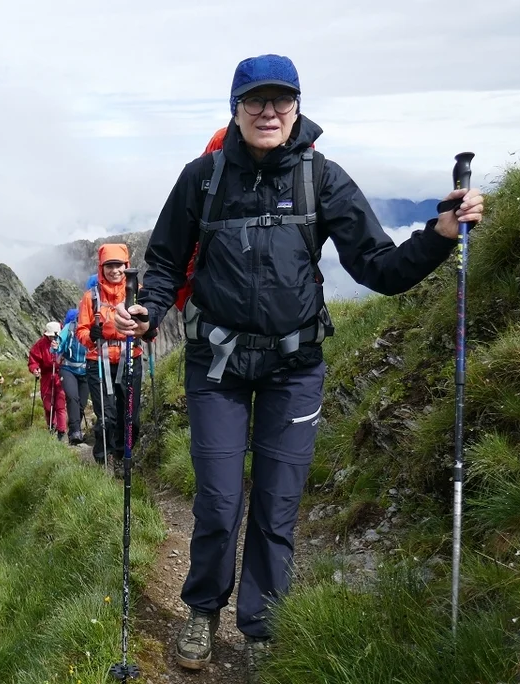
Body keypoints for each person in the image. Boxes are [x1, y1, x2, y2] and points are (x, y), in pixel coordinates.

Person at [115, 54, 485, 680]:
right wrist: (147, 312)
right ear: (234, 107)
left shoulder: (323, 178)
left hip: (295, 366)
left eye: (280, 100)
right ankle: (203, 610)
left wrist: (440, 234)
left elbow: (379, 267)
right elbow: (166, 266)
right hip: (216, 364)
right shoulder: (201, 178)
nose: (268, 111)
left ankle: (261, 625)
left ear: (296, 106)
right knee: (218, 499)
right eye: (255, 100)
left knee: (279, 503)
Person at [76, 243, 146, 470]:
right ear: (101, 267)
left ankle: (123, 454)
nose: (115, 270)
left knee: (130, 416)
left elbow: (148, 322)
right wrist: (90, 335)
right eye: (109, 266)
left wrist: (150, 329)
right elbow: (81, 330)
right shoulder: (91, 297)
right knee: (107, 416)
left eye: (119, 265)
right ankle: (103, 461)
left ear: (126, 266)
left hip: (130, 357)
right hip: (99, 360)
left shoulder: (138, 292)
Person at [28, 321, 67, 440]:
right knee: (48, 404)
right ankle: (52, 425)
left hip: (60, 375)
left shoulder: (63, 341)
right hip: (46, 377)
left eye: (55, 336)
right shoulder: (40, 344)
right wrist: (35, 369)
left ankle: (61, 430)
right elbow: (33, 360)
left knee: (60, 404)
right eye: (51, 336)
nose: (53, 338)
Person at [56, 308, 89, 444]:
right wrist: (55, 347)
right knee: (72, 397)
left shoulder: (90, 327)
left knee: (82, 403)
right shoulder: (69, 328)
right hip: (68, 368)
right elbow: (59, 343)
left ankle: (74, 429)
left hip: (86, 370)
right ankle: (75, 431)